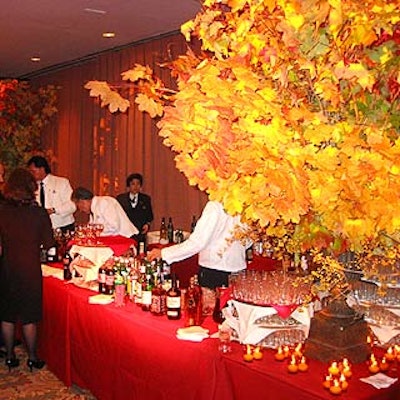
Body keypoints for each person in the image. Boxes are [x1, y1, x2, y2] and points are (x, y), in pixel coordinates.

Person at [0, 168, 55, 371]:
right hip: (30, 269)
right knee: (29, 316)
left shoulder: (2, 210)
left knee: (7, 314)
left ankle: (10, 357)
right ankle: (32, 357)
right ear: (31, 187)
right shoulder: (38, 212)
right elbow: (49, 243)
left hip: (7, 267)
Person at [147, 200, 248, 289]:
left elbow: (198, 242)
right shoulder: (245, 205)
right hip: (239, 270)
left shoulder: (215, 206)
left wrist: (164, 253)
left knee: (213, 309)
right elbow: (247, 241)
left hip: (214, 272)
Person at [27, 155, 76, 233]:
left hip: (63, 227)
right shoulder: (32, 187)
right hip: (42, 229)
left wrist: (53, 210)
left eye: (33, 171)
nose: (31, 174)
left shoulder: (61, 182)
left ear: (42, 169)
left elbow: (72, 205)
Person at [71, 187, 139, 238]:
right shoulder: (93, 210)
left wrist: (95, 232)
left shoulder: (104, 202)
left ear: (83, 201)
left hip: (126, 238)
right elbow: (91, 228)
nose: (81, 210)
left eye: (79, 206)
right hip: (115, 239)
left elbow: (114, 226)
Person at [116, 173, 153, 246]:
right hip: (125, 231)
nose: (135, 186)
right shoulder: (121, 199)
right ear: (128, 186)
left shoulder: (146, 199)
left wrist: (147, 224)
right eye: (133, 184)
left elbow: (150, 215)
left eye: (138, 184)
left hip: (140, 231)